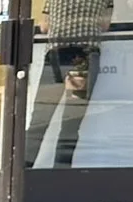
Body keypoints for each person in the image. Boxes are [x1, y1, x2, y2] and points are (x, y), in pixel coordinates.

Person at [25, 0, 113, 167]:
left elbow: (44, 27)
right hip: (83, 57)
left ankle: (25, 168)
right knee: (71, 121)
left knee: (40, 118)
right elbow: (104, 26)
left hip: (56, 55)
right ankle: (61, 170)